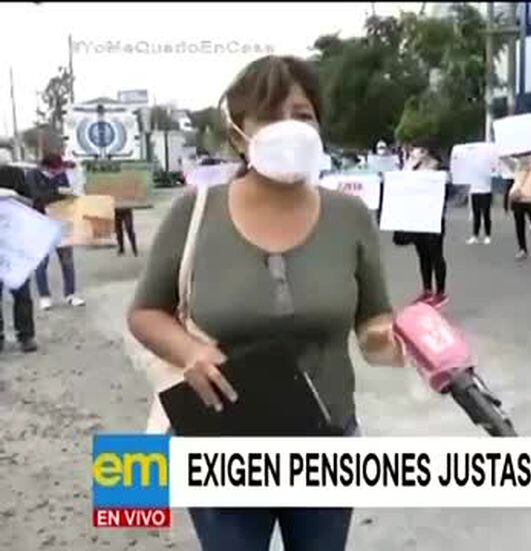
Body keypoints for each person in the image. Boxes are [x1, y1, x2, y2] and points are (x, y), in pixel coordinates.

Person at [127, 55, 406, 550]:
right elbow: (145, 313)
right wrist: (189, 352)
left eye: (302, 115)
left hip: (327, 447)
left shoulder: (350, 216)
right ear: (239, 136)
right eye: (271, 117)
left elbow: (373, 319)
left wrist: (393, 337)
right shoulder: (195, 213)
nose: (290, 129)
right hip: (224, 449)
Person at [28, 152, 85, 310]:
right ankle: (45, 296)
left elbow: (67, 192)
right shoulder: (33, 175)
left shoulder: (61, 175)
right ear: (47, 167)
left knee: (67, 261)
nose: (59, 172)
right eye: (56, 169)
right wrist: (58, 192)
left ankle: (70, 294)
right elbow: (37, 197)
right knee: (41, 263)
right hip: (41, 224)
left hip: (61, 222)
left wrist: (70, 195)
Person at [0, 149, 39, 353]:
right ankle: (25, 336)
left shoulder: (16, 176)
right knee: (22, 292)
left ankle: (24, 336)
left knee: (21, 292)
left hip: (14, 243)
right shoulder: (17, 175)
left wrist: (13, 196)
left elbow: (29, 202)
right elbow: (30, 203)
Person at [404, 144, 450, 308]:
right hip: (419, 218)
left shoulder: (438, 170)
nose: (414, 153)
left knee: (435, 254)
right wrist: (411, 164)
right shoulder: (413, 168)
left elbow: (445, 190)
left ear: (426, 152)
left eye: (418, 151)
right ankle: (427, 289)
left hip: (434, 218)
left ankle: (441, 292)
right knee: (423, 255)